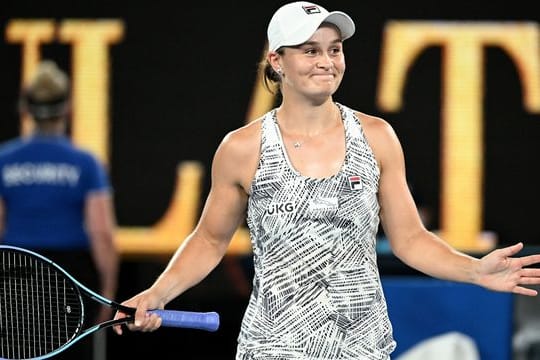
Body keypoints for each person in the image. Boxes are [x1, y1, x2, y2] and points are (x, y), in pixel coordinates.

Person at [112, 2, 540, 359]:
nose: (327, 62)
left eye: (334, 50)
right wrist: (157, 293)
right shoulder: (242, 148)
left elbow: (410, 239)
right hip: (274, 348)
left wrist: (475, 270)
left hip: (362, 348)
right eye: (310, 51)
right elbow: (209, 240)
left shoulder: (377, 137)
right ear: (277, 61)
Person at [0, 59, 119, 360]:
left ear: (25, 109)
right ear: (67, 108)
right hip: (70, 280)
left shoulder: (4, 160)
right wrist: (107, 294)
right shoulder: (85, 163)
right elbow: (102, 233)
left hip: (16, 275)